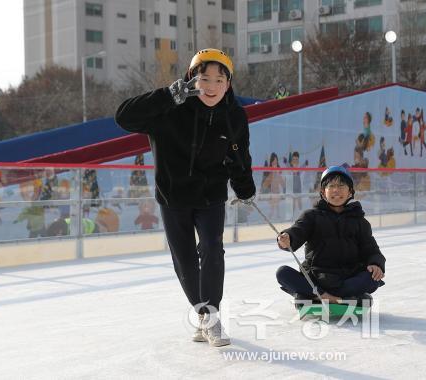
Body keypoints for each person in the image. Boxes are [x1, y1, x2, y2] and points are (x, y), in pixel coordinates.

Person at [115, 48, 256, 347]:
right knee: (185, 259)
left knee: (212, 249)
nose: (211, 87)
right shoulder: (168, 109)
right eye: (204, 78)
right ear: (192, 79)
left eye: (220, 80)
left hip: (210, 196)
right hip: (173, 196)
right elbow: (123, 117)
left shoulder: (233, 115)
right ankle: (202, 313)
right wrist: (166, 96)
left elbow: (239, 155)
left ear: (228, 84)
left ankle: (212, 316)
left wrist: (245, 188)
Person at [275, 166, 386, 304]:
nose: (336, 190)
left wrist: (376, 264)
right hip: (316, 278)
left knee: (371, 278)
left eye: (341, 185)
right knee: (282, 273)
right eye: (331, 186)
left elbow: (371, 250)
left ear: (350, 191)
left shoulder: (360, 222)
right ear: (323, 192)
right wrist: (287, 238)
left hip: (347, 278)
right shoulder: (311, 216)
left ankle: (316, 296)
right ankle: (340, 298)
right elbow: (297, 231)